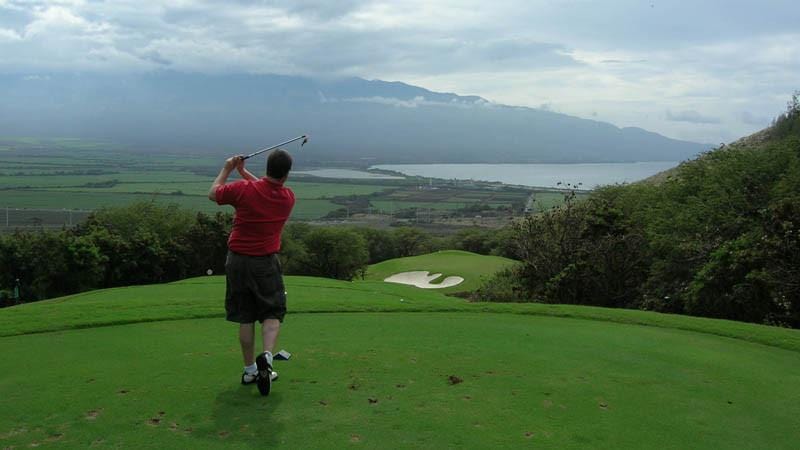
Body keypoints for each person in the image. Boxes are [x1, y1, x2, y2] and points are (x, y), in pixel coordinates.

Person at [207, 150, 295, 396]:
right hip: (266, 262)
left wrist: (227, 169)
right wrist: (243, 172)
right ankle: (267, 356)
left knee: (245, 316)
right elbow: (265, 189)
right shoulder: (288, 197)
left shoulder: (244, 191)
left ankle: (250, 370)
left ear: (267, 167)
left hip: (237, 261)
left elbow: (213, 193)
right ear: (286, 175)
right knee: (272, 311)